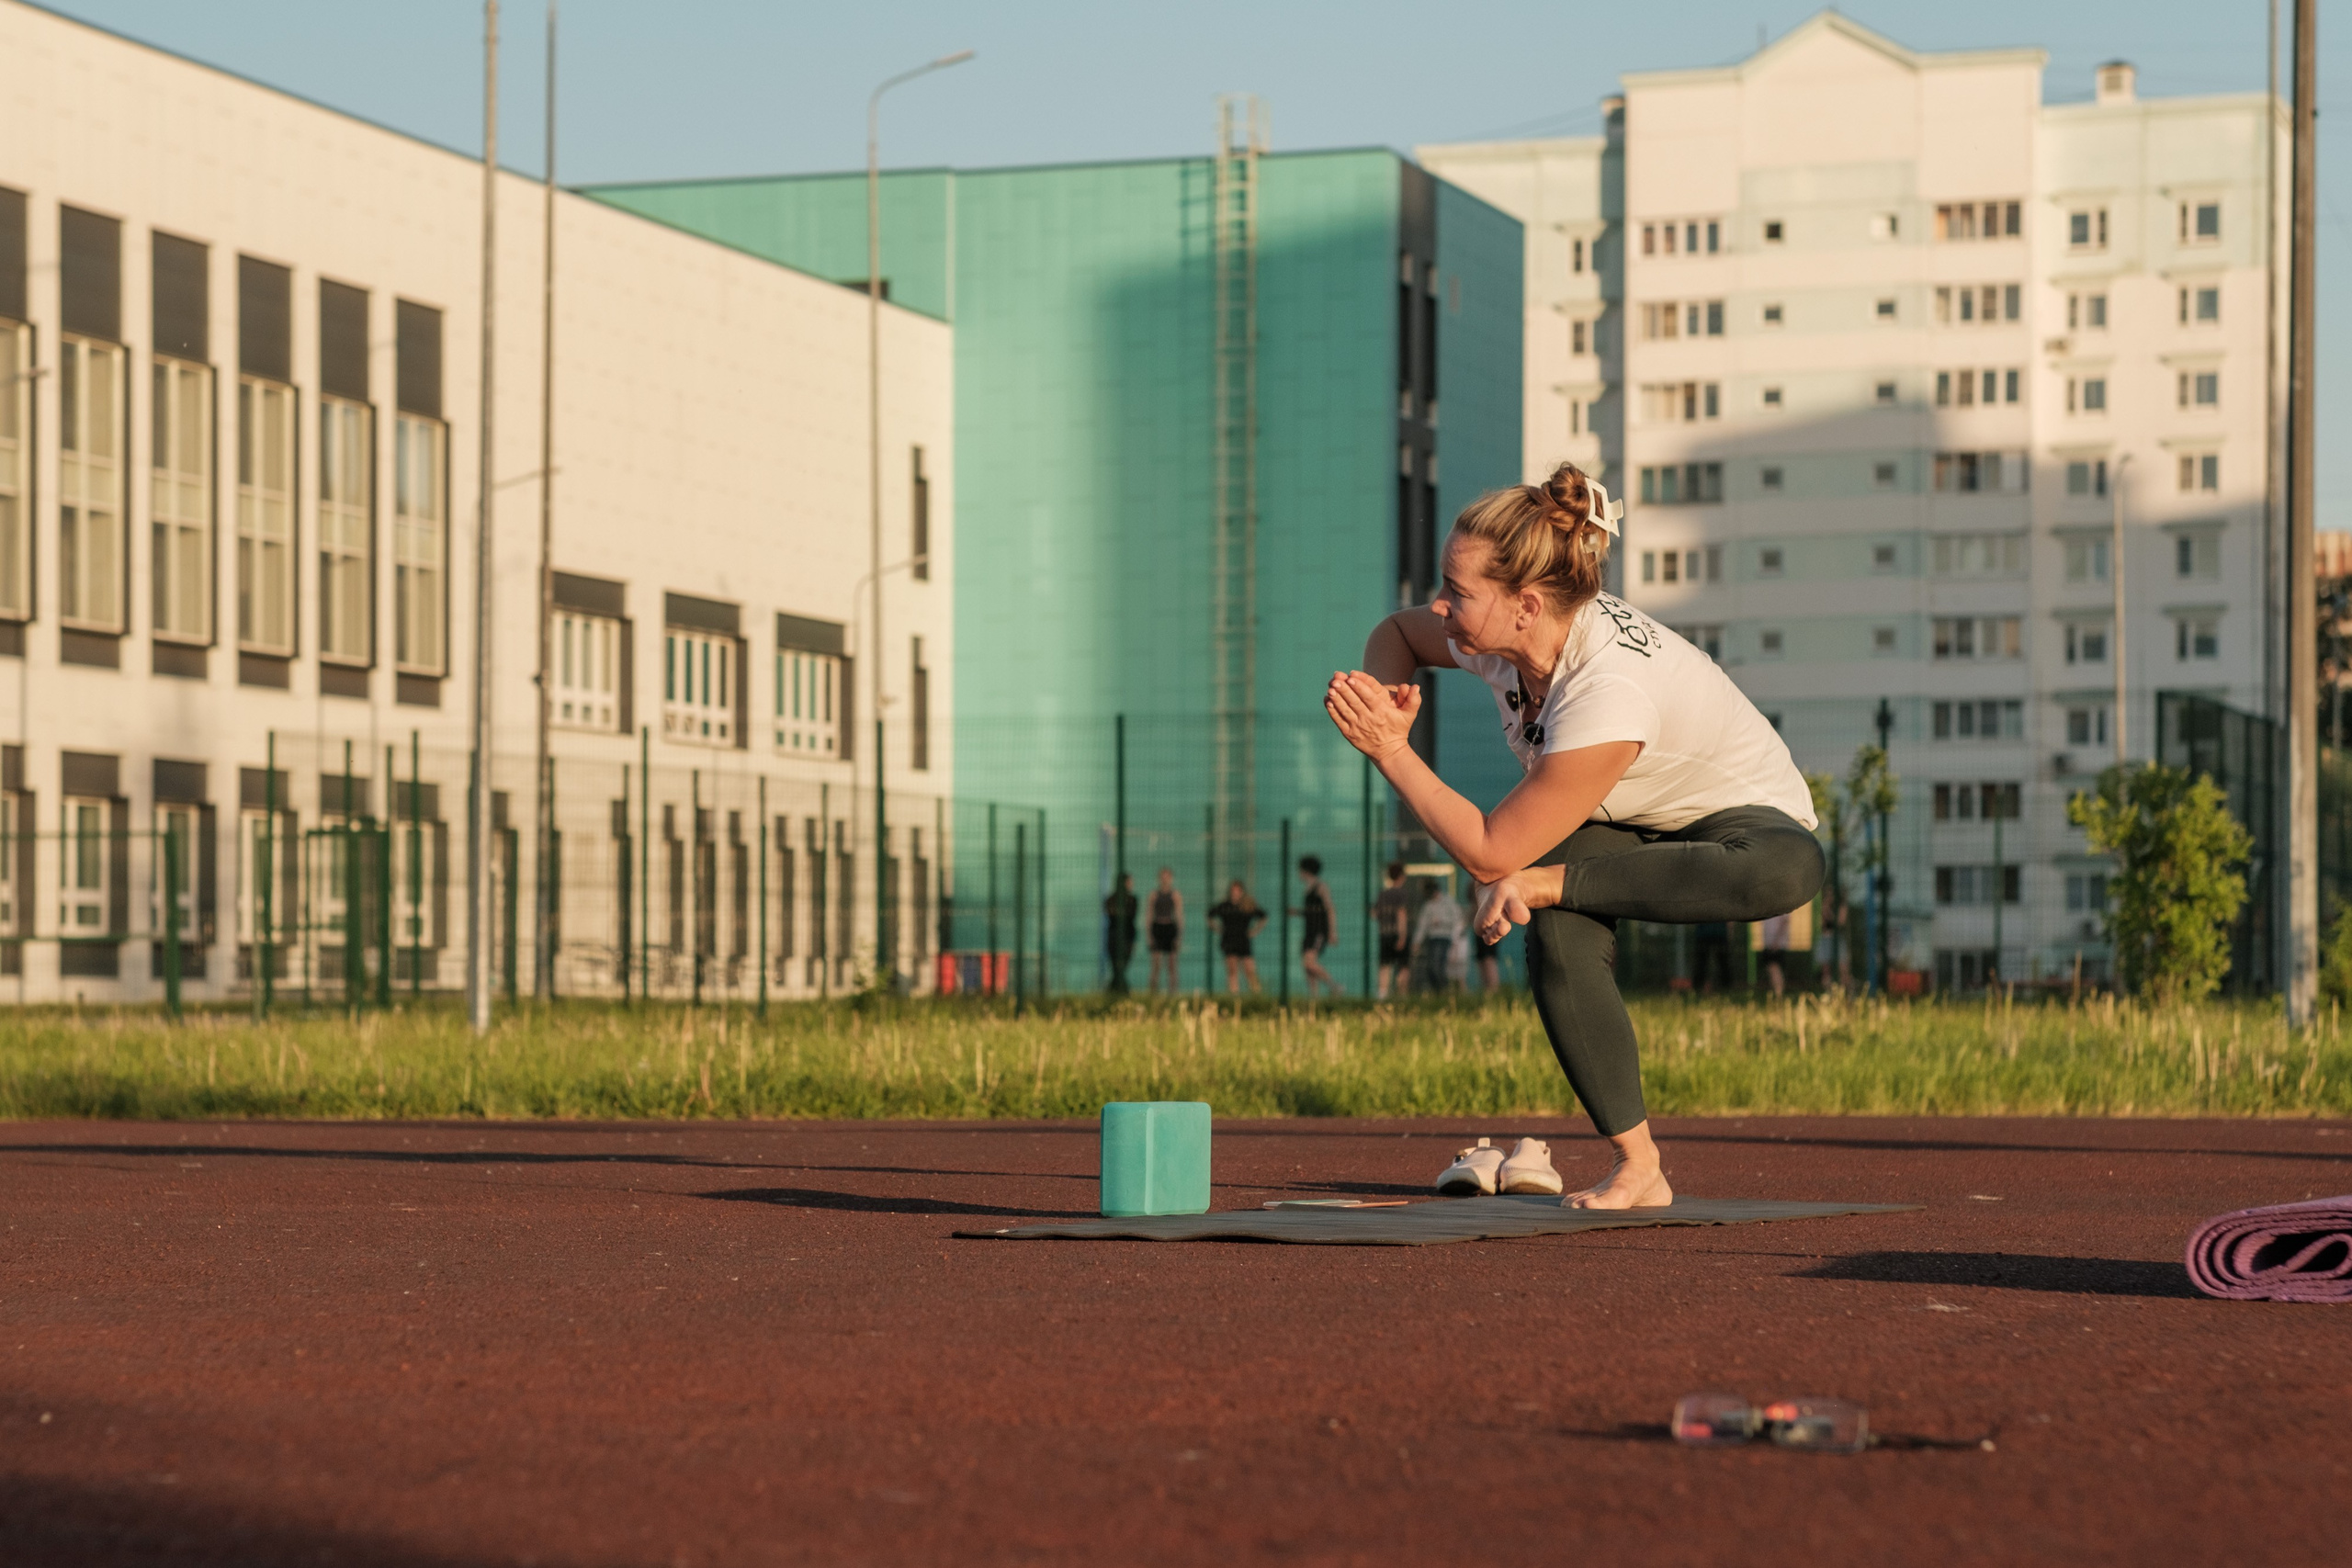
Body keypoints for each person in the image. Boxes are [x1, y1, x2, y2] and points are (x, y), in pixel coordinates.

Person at [1323, 459, 1822, 1209]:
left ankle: (1552, 883)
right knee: (1551, 930)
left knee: (1790, 867)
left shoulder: (1607, 689)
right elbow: (1395, 631)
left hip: (1741, 823)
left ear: (1526, 604)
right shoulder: (1492, 634)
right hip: (1624, 814)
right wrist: (1387, 697)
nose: (1440, 606)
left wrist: (1392, 751)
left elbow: (1492, 850)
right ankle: (1640, 1166)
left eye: (1457, 593)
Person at [1292, 855, 1341, 996]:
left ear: (1306, 871)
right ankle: (1314, 998)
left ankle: (1334, 986)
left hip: (1319, 931)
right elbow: (1311, 911)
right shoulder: (1307, 889)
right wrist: (1296, 912)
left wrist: (1332, 932)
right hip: (1309, 931)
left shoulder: (1321, 887)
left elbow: (1330, 909)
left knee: (1310, 963)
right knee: (1307, 968)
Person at [1207, 878, 1265, 995]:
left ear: (1242, 892)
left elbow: (1263, 916)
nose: (1235, 893)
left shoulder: (1247, 905)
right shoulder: (1225, 906)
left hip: (1243, 940)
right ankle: (1234, 996)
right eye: (1233, 890)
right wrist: (1217, 929)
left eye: (1238, 890)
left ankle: (1257, 995)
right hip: (1229, 940)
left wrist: (1255, 931)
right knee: (1232, 970)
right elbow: (1210, 915)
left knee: (1249, 970)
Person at [1410, 879, 1464, 994]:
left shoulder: (1448, 902)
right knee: (1430, 967)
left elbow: (1458, 920)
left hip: (1444, 937)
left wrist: (1442, 921)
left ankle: (1444, 991)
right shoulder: (1428, 906)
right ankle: (1438, 992)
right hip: (1432, 939)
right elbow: (1422, 925)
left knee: (1438, 966)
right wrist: (1416, 942)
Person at [1372, 861, 1412, 998]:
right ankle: (1402, 995)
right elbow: (1401, 914)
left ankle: (1382, 994)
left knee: (1384, 965)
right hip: (1397, 932)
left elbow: (1374, 914)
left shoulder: (1382, 894)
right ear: (1401, 876)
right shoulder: (1402, 894)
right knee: (1403, 966)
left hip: (1384, 933)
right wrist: (1402, 936)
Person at [1146, 867, 1184, 995]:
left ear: (1171, 879)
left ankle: (1173, 994)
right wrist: (1149, 935)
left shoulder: (1175, 895)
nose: (1165, 880)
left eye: (1167, 877)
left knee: (1172, 965)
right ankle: (1153, 994)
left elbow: (1179, 916)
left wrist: (1179, 936)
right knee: (1156, 964)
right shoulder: (1154, 895)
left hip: (1170, 929)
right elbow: (1149, 915)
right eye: (1163, 877)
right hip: (1157, 928)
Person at [1102, 872, 1139, 994]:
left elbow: (1130, 916)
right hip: (1113, 936)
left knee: (1122, 966)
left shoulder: (1132, 900)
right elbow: (1111, 915)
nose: (1131, 884)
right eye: (1129, 882)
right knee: (1116, 966)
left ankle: (1113, 990)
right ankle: (1121, 990)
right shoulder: (1110, 899)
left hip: (1128, 936)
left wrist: (1119, 913)